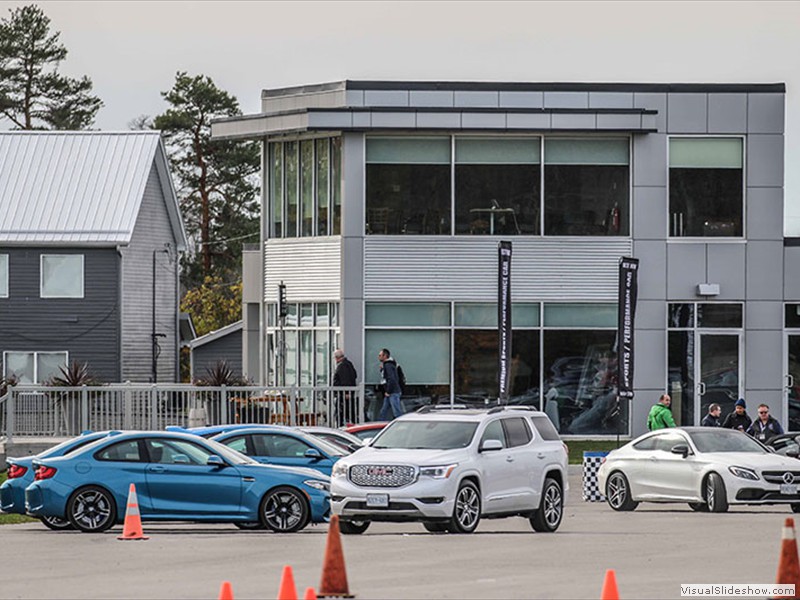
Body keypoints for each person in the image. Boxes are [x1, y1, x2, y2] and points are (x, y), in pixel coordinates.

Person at [332, 349, 358, 426]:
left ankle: (341, 427)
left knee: (341, 413)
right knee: (349, 413)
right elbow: (354, 375)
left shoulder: (342, 366)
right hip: (346, 393)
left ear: (337, 358)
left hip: (343, 394)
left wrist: (346, 392)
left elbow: (345, 380)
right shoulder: (349, 364)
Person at [378, 348, 403, 420]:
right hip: (391, 392)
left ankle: (400, 425)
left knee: (396, 412)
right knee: (383, 411)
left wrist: (388, 391)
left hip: (392, 392)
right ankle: (381, 424)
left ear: (385, 356)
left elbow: (392, 379)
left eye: (380, 355)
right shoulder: (388, 365)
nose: (378, 357)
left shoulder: (388, 365)